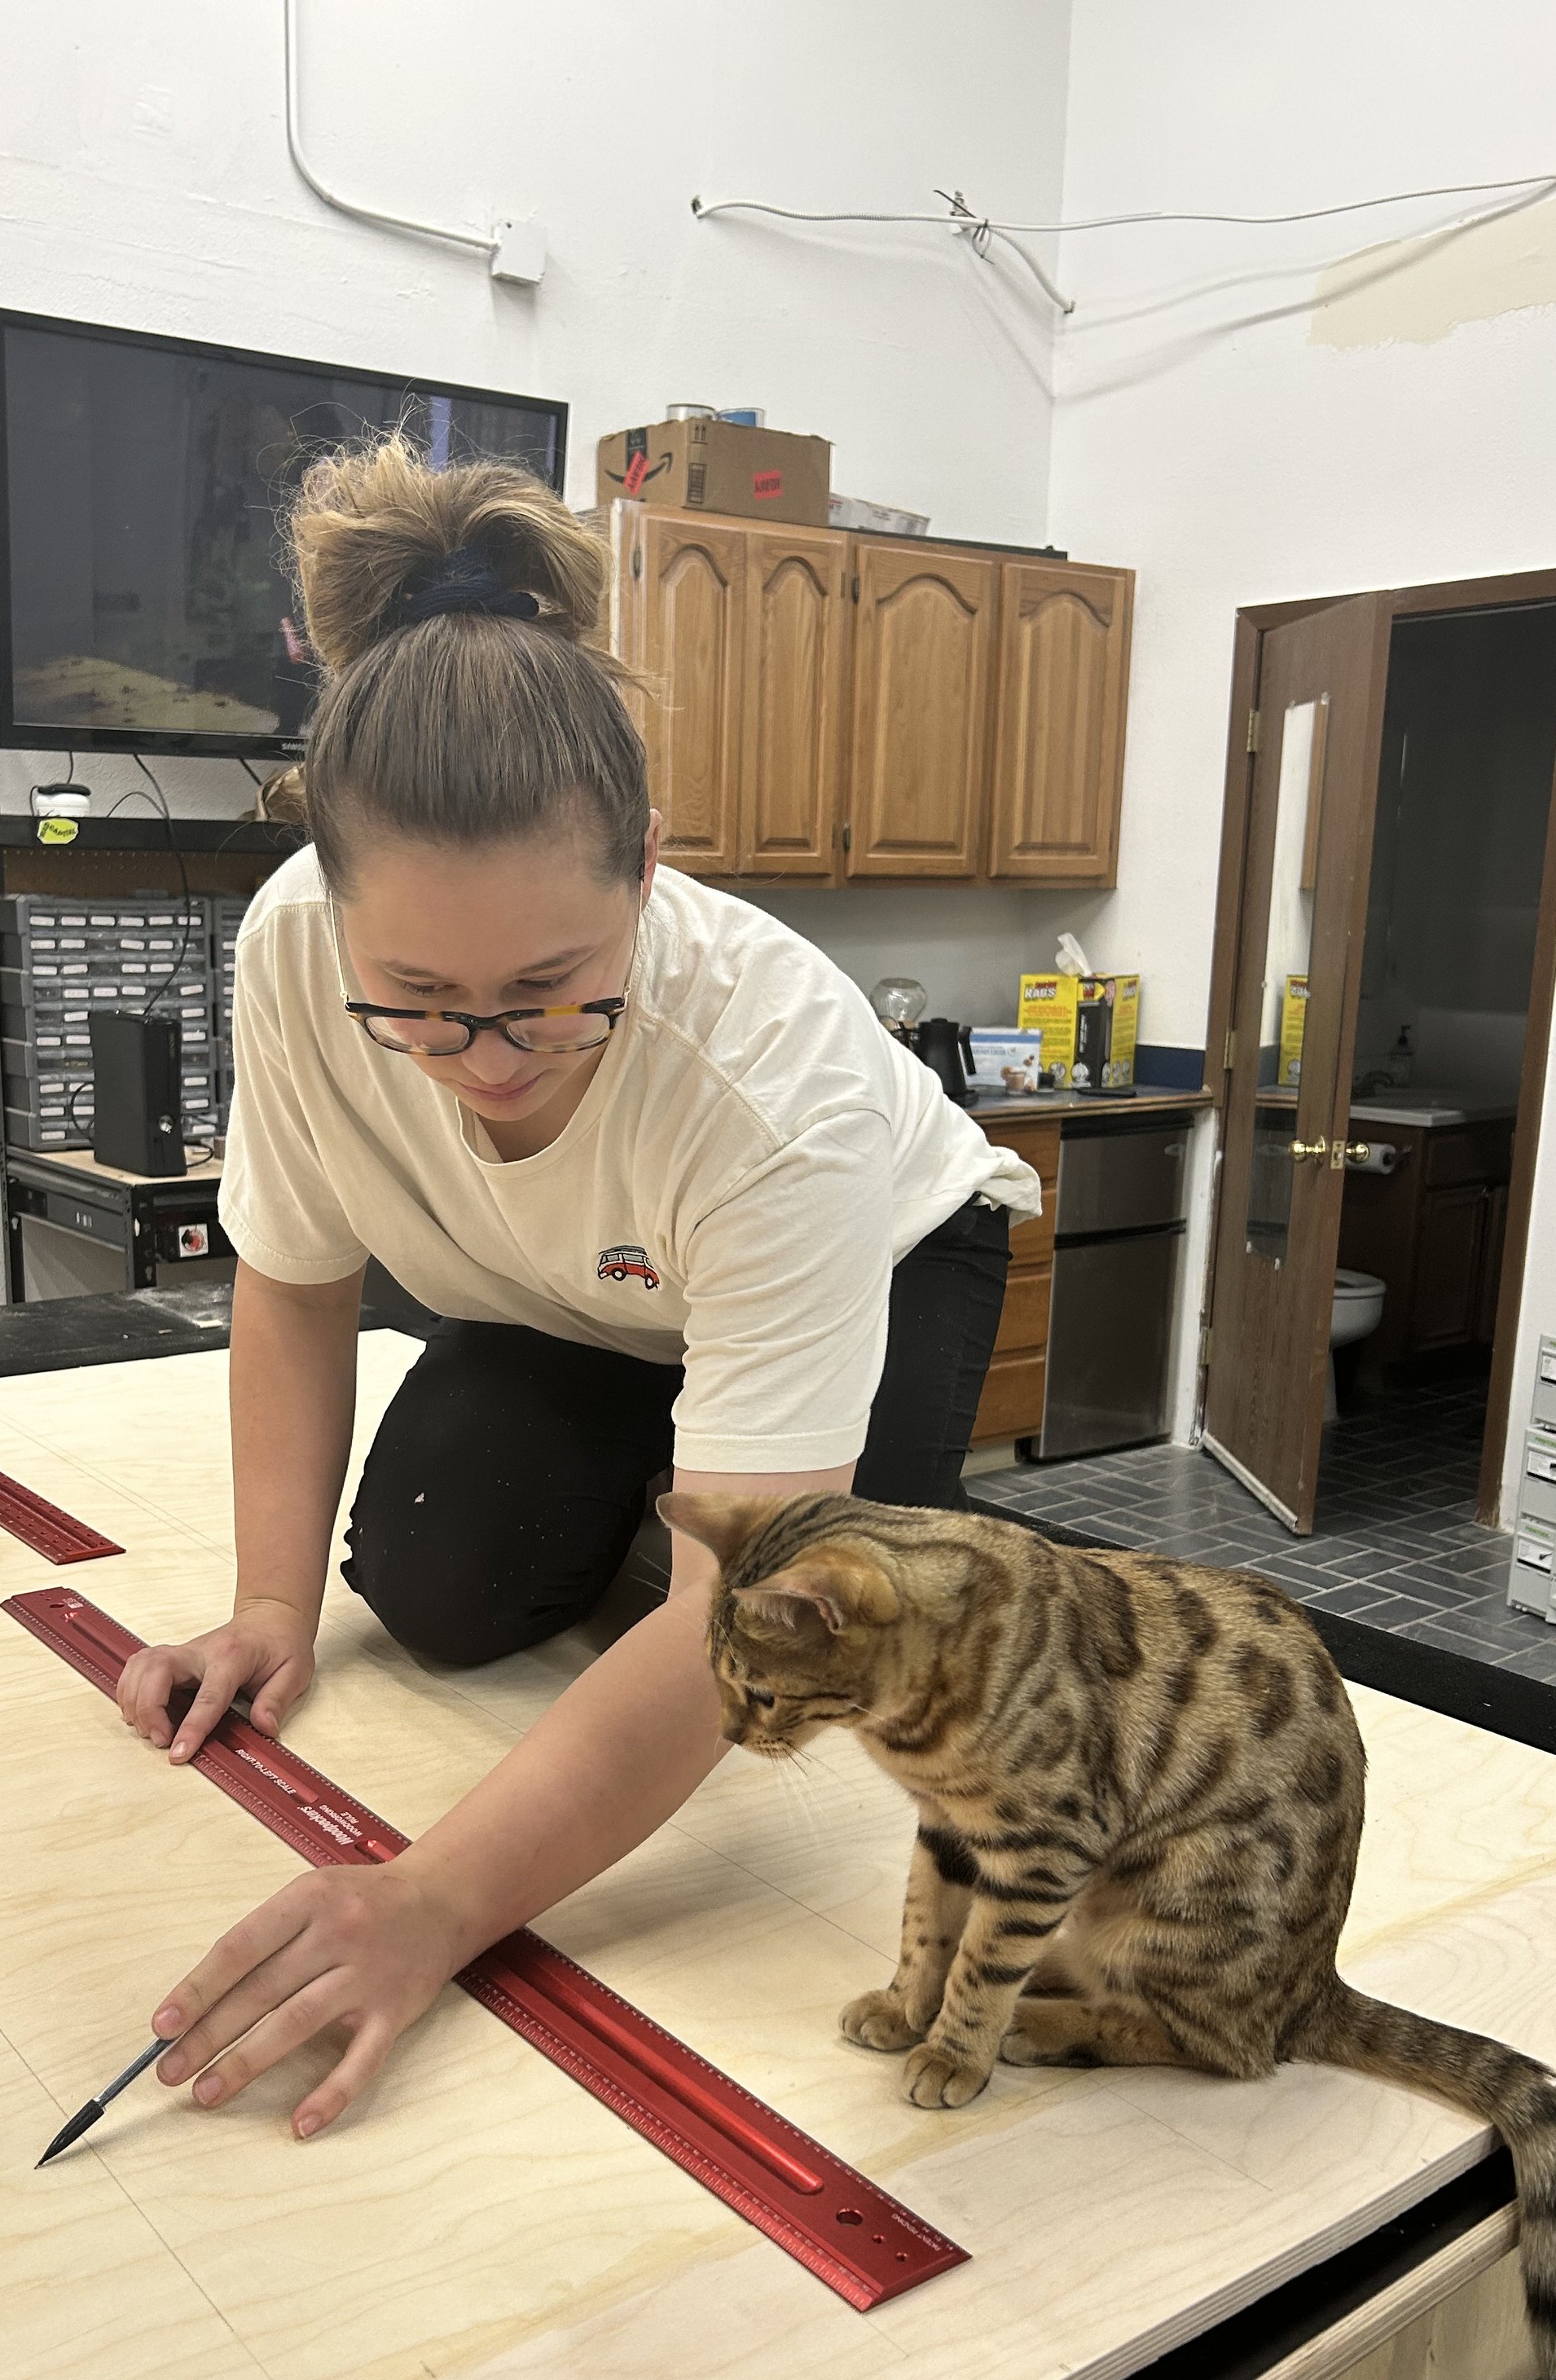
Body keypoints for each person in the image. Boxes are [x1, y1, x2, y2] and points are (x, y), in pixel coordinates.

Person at [116, 438, 1042, 2138]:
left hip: (895, 1253)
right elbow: (296, 1279)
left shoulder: (774, 1084)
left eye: (551, 989)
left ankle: (778, 1467)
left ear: (648, 870)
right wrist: (263, 1604)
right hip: (592, 1297)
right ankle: (699, 1461)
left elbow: (737, 1618)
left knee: (813, 1654)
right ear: (330, 917)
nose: (487, 1060)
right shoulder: (282, 956)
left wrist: (432, 1900)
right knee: (429, 1580)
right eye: (419, 998)